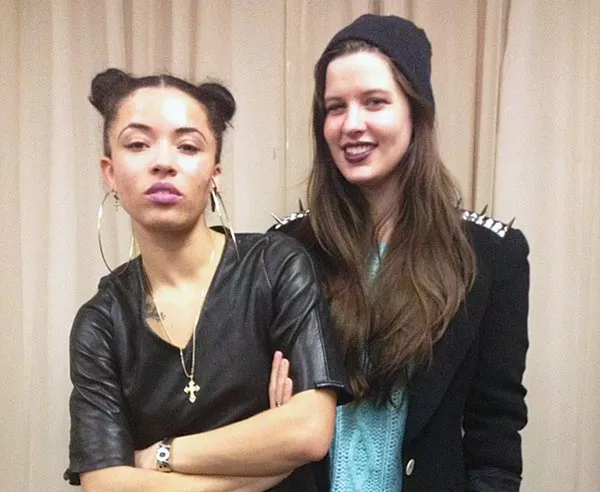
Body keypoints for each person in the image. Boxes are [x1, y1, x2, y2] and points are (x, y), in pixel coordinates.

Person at [269, 14, 529, 492]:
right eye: (335, 107)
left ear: (416, 111)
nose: (352, 125)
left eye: (375, 102)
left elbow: (495, 432)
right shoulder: (285, 249)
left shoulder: (491, 256)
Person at [64, 68, 349, 492]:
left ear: (215, 174)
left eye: (187, 146)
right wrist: (262, 467)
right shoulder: (102, 322)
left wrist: (160, 455)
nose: (163, 162)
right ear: (110, 173)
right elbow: (105, 484)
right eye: (138, 144)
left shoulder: (276, 266)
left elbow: (308, 431)